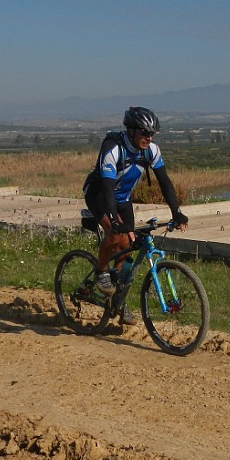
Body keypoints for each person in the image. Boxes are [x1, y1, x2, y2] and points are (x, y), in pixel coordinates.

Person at [83, 106, 188, 324]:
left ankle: (118, 302)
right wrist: (112, 221)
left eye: (152, 134)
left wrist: (176, 212)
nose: (148, 138)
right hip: (100, 196)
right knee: (116, 236)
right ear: (131, 131)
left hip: (123, 201)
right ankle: (100, 273)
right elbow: (107, 188)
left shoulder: (151, 150)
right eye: (144, 133)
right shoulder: (113, 148)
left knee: (127, 249)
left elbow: (165, 182)